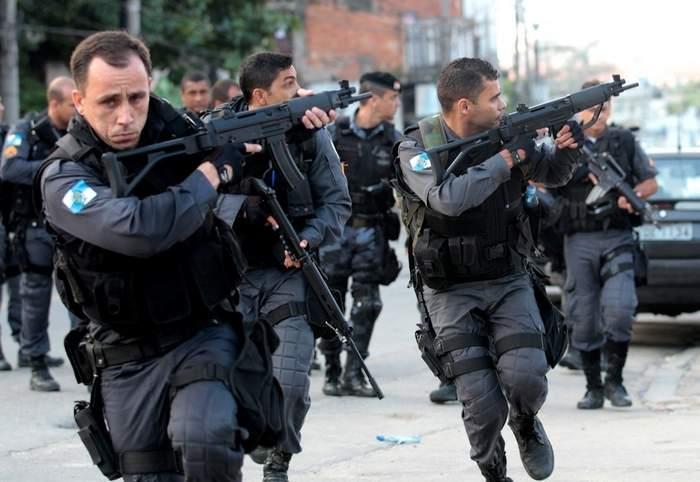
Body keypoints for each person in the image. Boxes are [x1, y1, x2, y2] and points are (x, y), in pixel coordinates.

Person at [36, 30, 283, 481]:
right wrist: (213, 173)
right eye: (109, 102)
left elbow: (247, 146)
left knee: (206, 439)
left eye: (137, 97)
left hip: (200, 332)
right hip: (124, 354)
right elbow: (140, 230)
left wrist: (296, 127)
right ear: (79, 101)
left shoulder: (178, 133)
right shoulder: (65, 177)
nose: (126, 116)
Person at [394, 58, 582, 481]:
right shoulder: (416, 147)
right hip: (449, 287)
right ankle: (494, 471)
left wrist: (568, 148)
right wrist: (509, 157)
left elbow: (552, 173)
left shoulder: (507, 132)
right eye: (494, 97)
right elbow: (446, 199)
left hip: (507, 277)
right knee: (481, 403)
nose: (502, 105)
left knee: (526, 375)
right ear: (464, 105)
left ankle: (526, 423)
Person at [227, 51, 350, 481]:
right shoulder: (216, 132)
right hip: (230, 276)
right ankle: (254, 430)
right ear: (260, 95)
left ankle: (279, 458)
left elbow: (337, 203)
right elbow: (190, 201)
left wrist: (307, 238)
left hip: (288, 274)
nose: (300, 92)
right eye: (289, 84)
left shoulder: (310, 135)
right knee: (227, 377)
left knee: (292, 382)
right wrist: (243, 210)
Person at [556, 80, 657, 410]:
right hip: (579, 239)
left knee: (620, 309)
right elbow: (540, 180)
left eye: (606, 107)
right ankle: (593, 388)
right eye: (592, 109)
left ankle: (615, 381)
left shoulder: (623, 140)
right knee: (583, 316)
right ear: (579, 112)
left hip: (617, 236)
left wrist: (634, 197)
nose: (600, 114)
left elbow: (650, 182)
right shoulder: (565, 142)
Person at [318, 71, 402, 397]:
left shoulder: (394, 140)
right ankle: (332, 371)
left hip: (372, 232)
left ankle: (354, 373)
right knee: (330, 305)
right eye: (392, 98)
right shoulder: (333, 134)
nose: (397, 104)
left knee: (368, 304)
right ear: (373, 99)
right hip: (335, 234)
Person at [0, 77, 76, 389]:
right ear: (54, 103)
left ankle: (88, 360)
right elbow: (10, 169)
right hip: (35, 226)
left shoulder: (78, 131)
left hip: (71, 226)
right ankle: (35, 362)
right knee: (35, 294)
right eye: (71, 104)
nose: (77, 109)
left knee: (80, 292)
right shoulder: (26, 130)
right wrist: (55, 168)